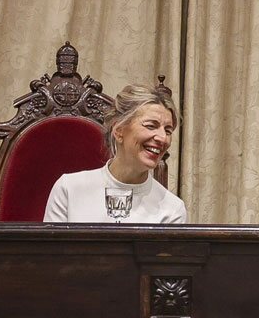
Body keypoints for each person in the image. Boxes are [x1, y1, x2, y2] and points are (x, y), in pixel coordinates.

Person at [44, 84, 187, 223]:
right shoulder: (69, 189)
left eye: (168, 130)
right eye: (151, 126)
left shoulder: (172, 210)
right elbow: (51, 248)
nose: (163, 138)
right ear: (119, 130)